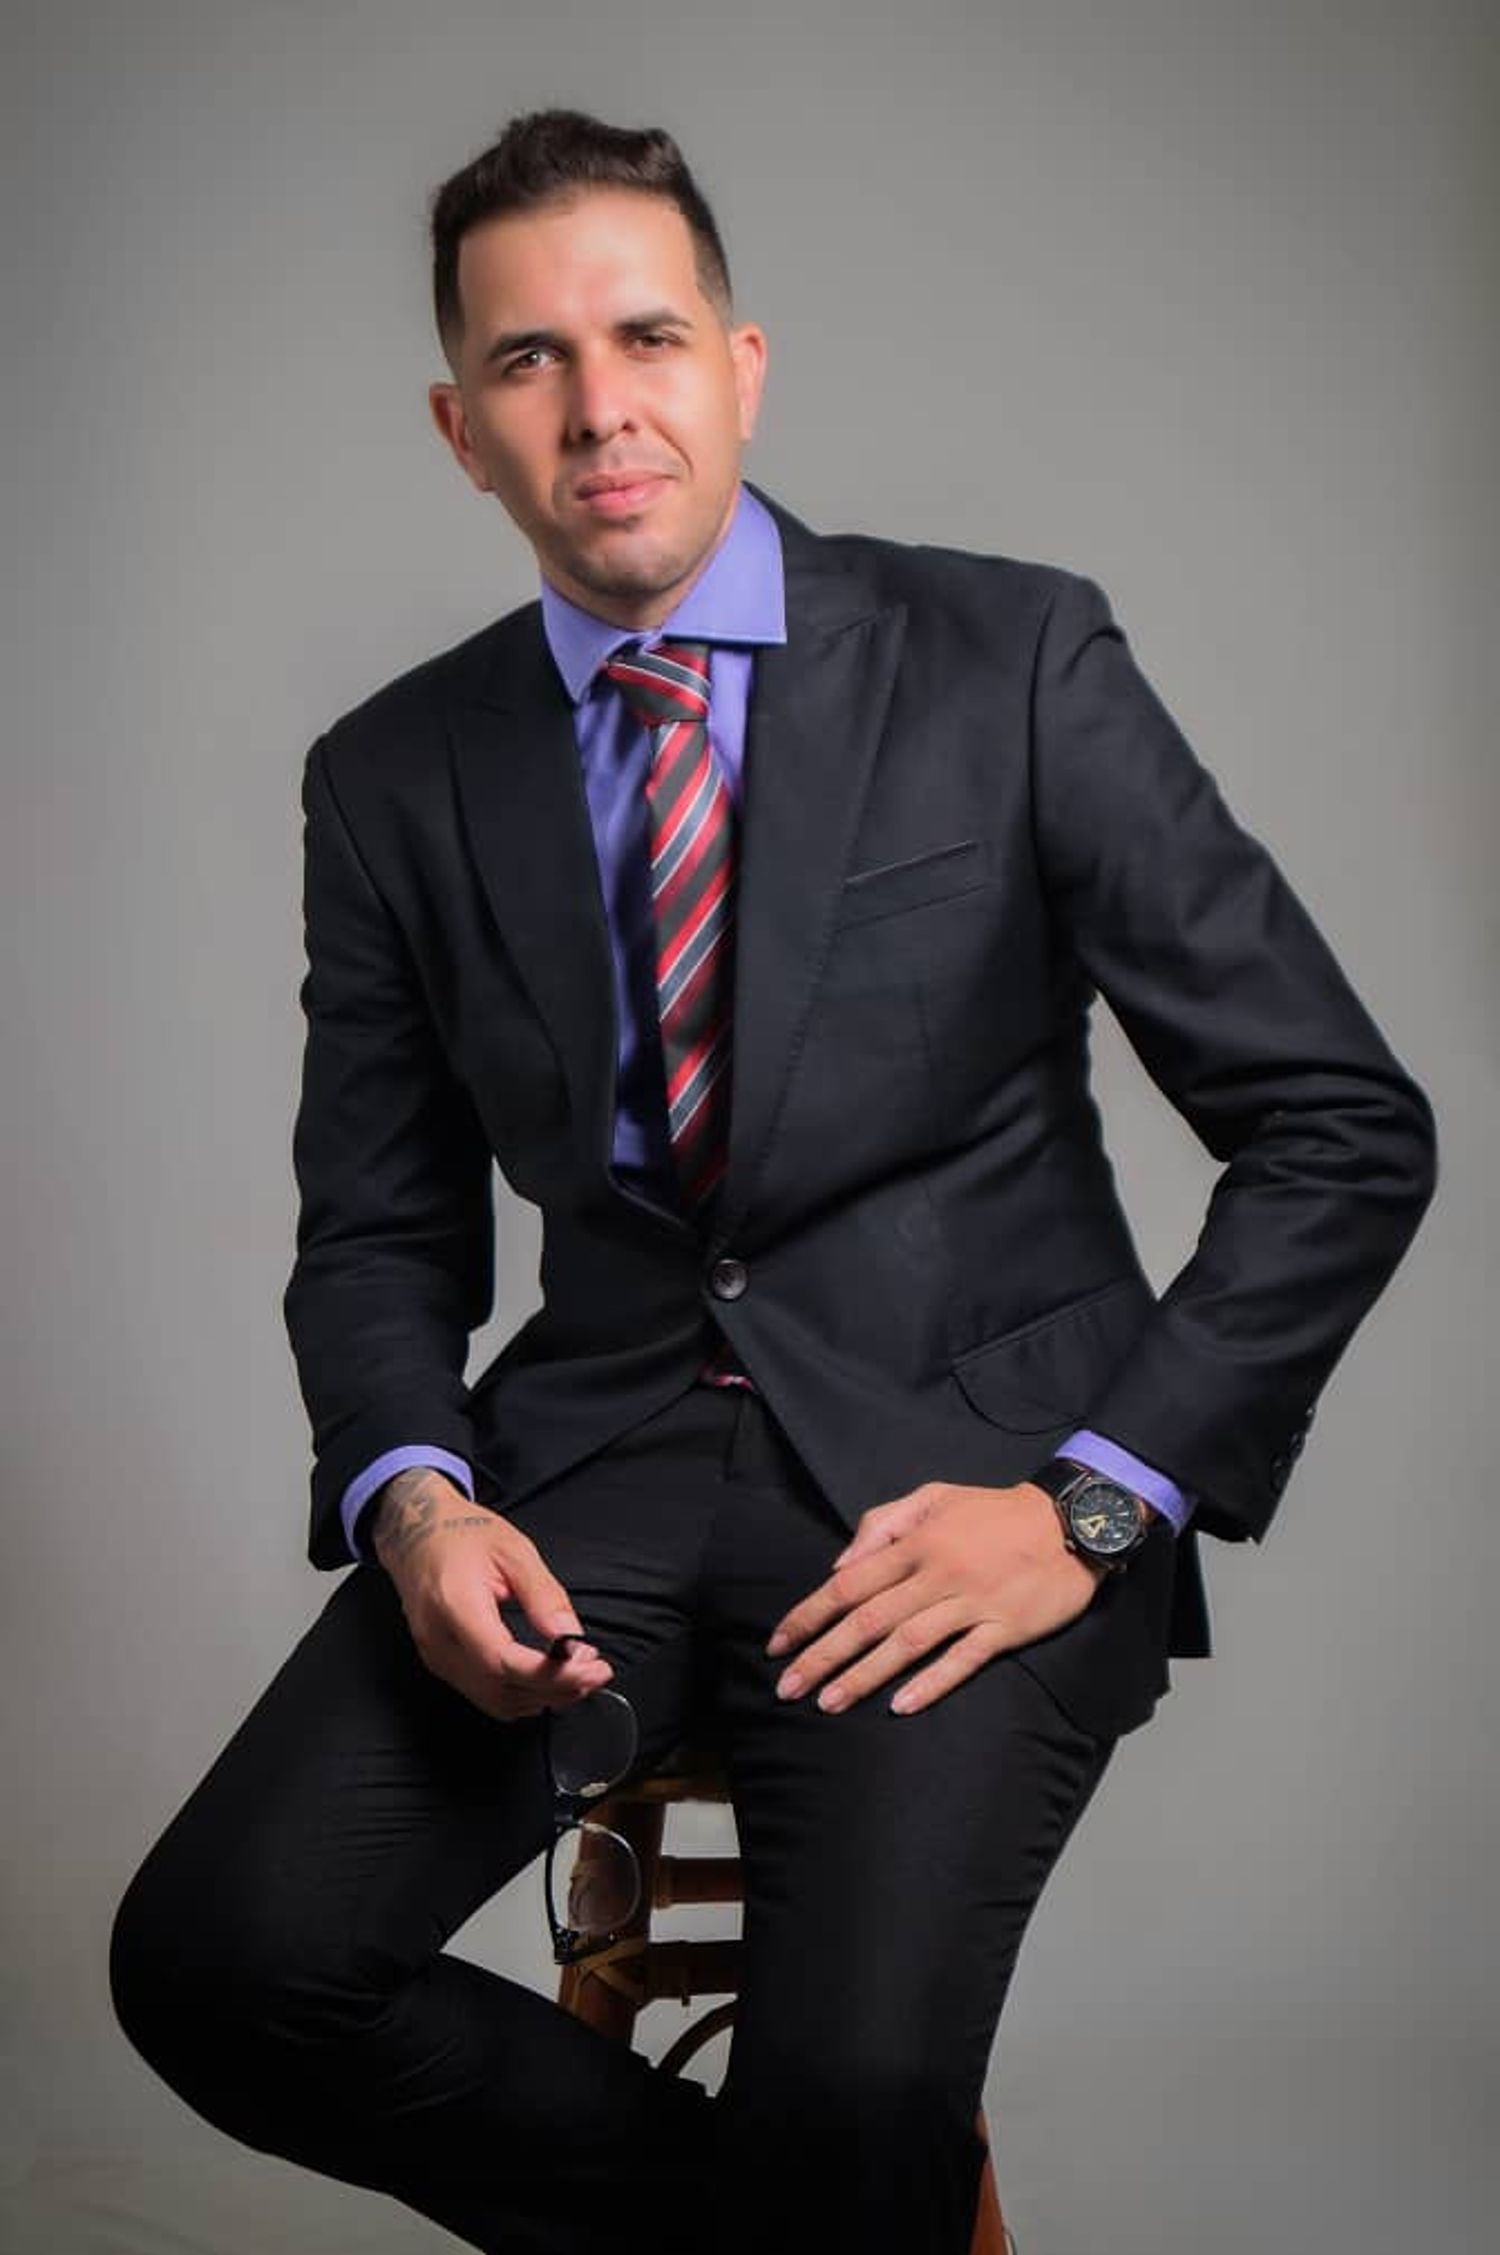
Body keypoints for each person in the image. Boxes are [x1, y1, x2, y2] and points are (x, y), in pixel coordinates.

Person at [109, 108, 1436, 2255]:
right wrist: (418, 1509)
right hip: (586, 1484)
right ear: (462, 431)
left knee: (867, 2100)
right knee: (219, 1963)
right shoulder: (392, 775)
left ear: (741, 367)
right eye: (529, 360)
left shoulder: (1012, 660)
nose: (598, 407)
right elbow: (379, 1229)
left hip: (969, 1487)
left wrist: (1091, 1507)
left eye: (646, 338)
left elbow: (1342, 1125)